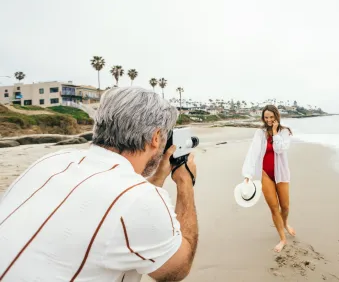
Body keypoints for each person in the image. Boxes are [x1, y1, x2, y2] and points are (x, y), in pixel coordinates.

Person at [0, 87, 198, 282]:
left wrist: (158, 177)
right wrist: (184, 181)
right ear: (155, 138)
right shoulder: (142, 199)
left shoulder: (49, 162)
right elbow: (176, 269)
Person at [242, 105, 295, 253]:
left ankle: (285, 223)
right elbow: (253, 152)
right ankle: (282, 238)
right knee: (273, 208)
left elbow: (280, 149)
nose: (269, 120)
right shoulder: (260, 133)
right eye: (266, 117)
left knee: (285, 207)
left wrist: (275, 132)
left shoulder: (285, 132)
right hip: (265, 173)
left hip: (281, 173)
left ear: (277, 116)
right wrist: (248, 174)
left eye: (271, 117)